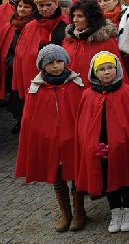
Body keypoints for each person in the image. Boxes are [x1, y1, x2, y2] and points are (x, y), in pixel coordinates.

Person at [75, 52, 129, 233]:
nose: (107, 72)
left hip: (124, 146)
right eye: (102, 69)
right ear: (94, 72)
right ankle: (115, 211)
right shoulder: (88, 95)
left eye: (110, 68)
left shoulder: (127, 92)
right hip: (101, 146)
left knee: (126, 177)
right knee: (108, 178)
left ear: (117, 69)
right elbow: (83, 124)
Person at [15, 45, 86, 232]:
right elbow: (30, 119)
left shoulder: (76, 84)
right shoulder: (36, 88)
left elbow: (83, 112)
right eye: (51, 63)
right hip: (51, 143)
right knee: (58, 178)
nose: (56, 66)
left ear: (65, 62)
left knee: (77, 178)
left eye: (59, 62)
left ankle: (80, 212)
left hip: (73, 141)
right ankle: (65, 213)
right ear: (42, 66)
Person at [12, 0, 67, 104]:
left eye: (48, 5)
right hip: (32, 71)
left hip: (59, 72)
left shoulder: (66, 24)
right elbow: (21, 53)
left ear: (56, 4)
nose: (45, 8)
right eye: (41, 5)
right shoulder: (30, 26)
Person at [62, 0, 124, 88]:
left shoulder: (105, 42)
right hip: (70, 93)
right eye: (73, 16)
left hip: (94, 94)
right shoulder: (69, 40)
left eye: (80, 16)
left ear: (91, 18)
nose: (75, 20)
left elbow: (117, 75)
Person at [0, 0, 36, 133]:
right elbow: (7, 48)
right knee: (17, 100)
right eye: (20, 6)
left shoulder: (34, 25)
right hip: (13, 68)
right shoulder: (10, 25)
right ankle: (20, 122)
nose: (22, 9)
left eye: (26, 7)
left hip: (30, 70)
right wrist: (12, 63)